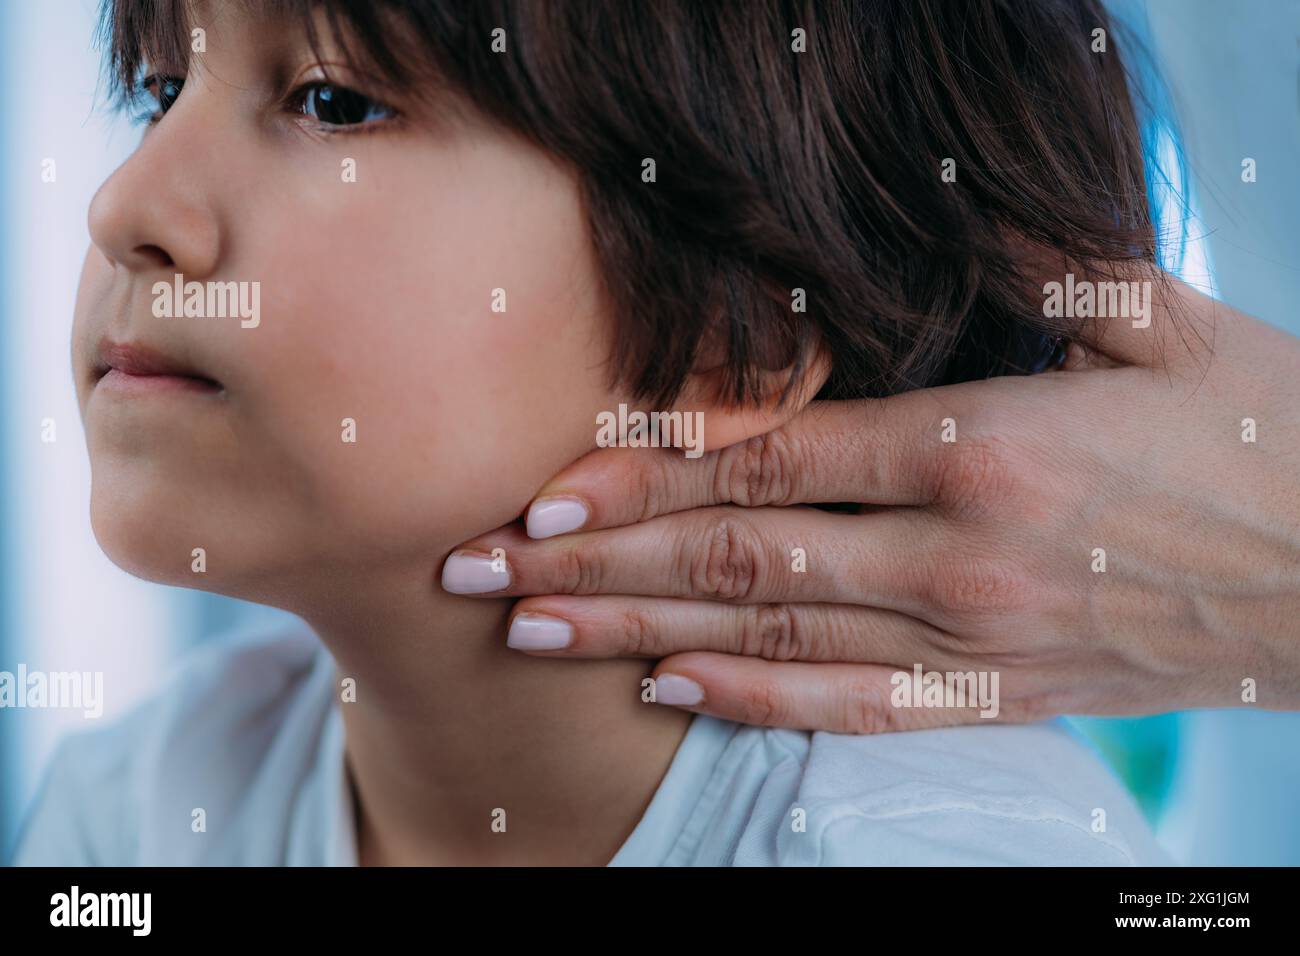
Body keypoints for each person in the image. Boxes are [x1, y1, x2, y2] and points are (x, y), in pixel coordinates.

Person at [16, 0, 1178, 866]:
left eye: (332, 101)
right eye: (160, 92)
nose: (123, 204)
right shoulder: (131, 814)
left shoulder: (948, 848)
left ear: (737, 342)